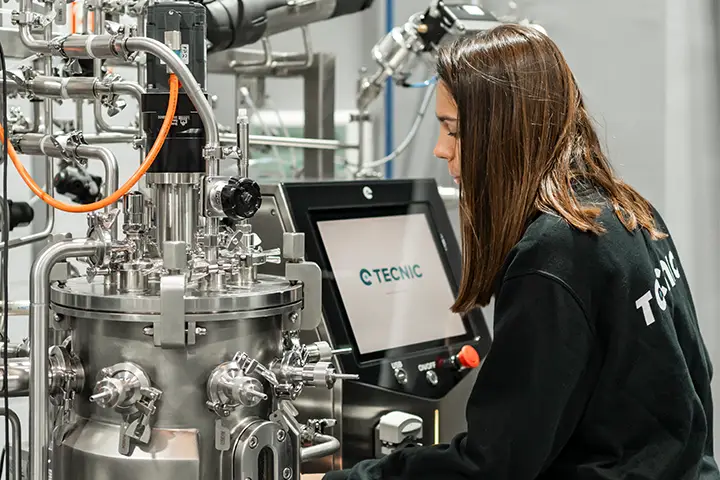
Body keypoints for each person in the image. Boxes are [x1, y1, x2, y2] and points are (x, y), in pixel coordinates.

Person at [307, 24, 719, 480]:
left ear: (503, 130)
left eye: (453, 130)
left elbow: (493, 466)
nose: (442, 150)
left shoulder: (554, 255)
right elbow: (697, 378)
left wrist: (345, 478)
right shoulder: (630, 212)